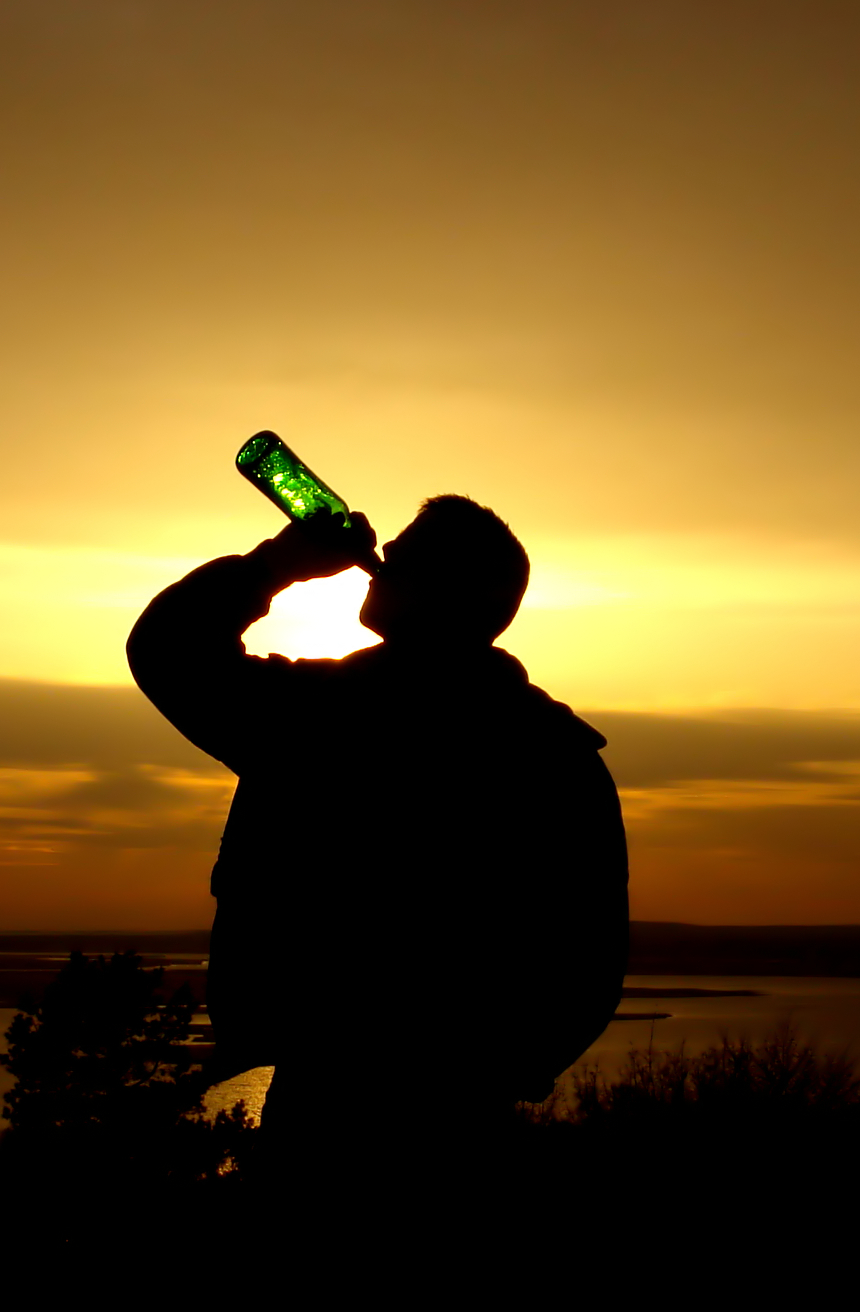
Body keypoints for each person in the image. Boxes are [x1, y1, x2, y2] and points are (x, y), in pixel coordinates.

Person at [128, 491, 628, 1168]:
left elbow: (170, 648)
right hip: (443, 1112)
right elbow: (589, 960)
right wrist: (498, 1076)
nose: (380, 559)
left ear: (451, 591)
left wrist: (279, 563)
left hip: (364, 1110)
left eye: (405, 557)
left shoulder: (321, 722)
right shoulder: (557, 754)